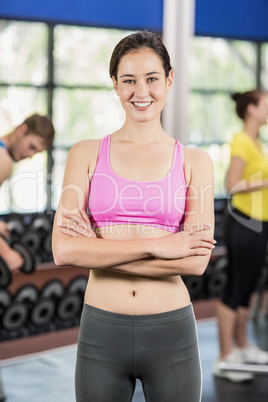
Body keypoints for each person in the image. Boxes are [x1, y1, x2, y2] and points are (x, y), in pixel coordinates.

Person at [52, 31, 215, 402]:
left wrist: (97, 248)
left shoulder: (194, 162)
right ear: (115, 85)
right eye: (128, 80)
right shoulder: (86, 154)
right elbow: (63, 250)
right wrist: (161, 246)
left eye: (152, 78)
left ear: (169, 80)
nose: (141, 91)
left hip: (171, 331)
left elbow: (195, 262)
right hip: (101, 331)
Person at [213, 89, 268, 383]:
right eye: (266, 105)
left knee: (247, 285)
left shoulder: (258, 142)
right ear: (251, 109)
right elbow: (232, 184)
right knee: (236, 286)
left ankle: (243, 346)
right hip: (244, 222)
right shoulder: (241, 140)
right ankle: (224, 357)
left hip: (260, 223)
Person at [0, 113, 55, 271]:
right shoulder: (3, 161)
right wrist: (7, 253)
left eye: (36, 153)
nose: (30, 155)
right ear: (21, 130)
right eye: (32, 146)